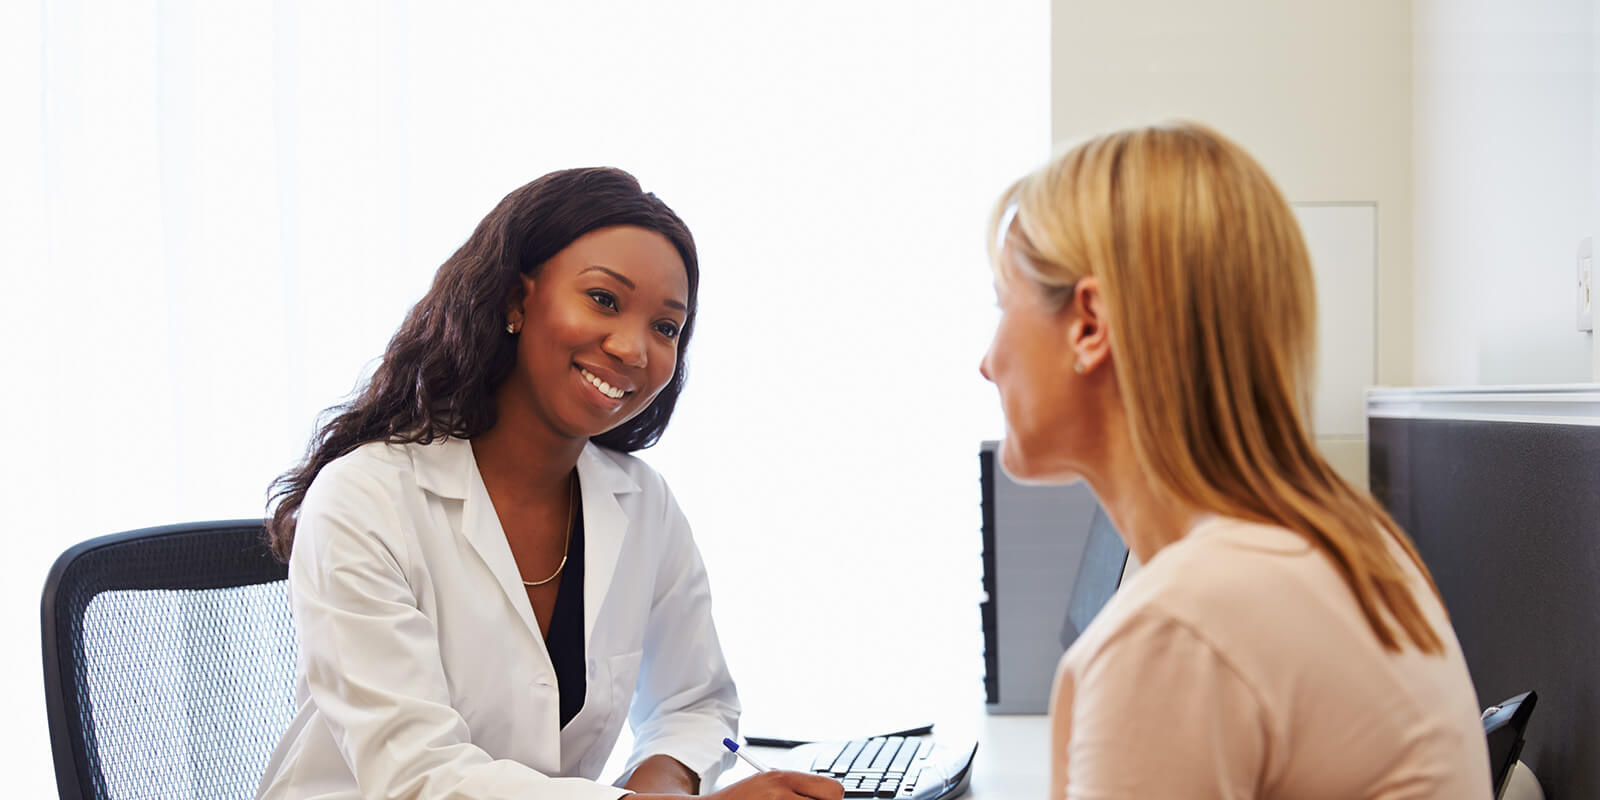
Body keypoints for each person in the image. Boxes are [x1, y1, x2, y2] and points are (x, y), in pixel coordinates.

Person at [256, 168, 841, 800]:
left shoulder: (643, 505)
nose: (633, 349)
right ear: (516, 299)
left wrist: (666, 790)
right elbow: (419, 776)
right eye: (604, 300)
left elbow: (694, 704)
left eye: (666, 327)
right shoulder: (364, 499)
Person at [979, 123, 1492, 798]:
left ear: (1089, 326)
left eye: (1000, 303)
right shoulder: (1347, 548)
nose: (985, 364)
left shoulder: (1180, 632)